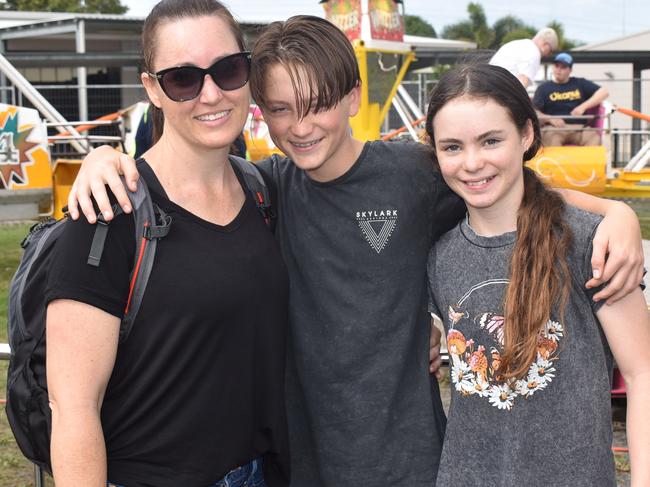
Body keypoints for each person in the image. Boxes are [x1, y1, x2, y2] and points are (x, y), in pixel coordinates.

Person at [66, 16, 644, 487]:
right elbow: (183, 178)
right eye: (281, 109)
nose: (301, 127)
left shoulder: (415, 175)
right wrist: (105, 160)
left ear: (353, 97)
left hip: (414, 464)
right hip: (303, 465)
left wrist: (612, 212)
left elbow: (506, 182)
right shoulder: (265, 189)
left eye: (316, 103)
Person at [45, 1, 290, 486]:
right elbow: (72, 407)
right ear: (152, 89)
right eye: (183, 78)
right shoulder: (106, 213)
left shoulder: (263, 190)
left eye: (228, 69)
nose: (212, 93)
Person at [425, 63, 650, 486]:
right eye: (452, 147)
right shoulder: (438, 256)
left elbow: (643, 374)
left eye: (491, 141)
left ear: (526, 134)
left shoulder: (590, 241)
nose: (472, 163)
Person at [534, 52, 610, 146]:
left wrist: (583, 107)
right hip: (553, 128)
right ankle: (558, 161)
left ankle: (586, 161)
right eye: (556, 66)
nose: (559, 70)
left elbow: (604, 92)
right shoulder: (543, 88)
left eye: (563, 67)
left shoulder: (580, 83)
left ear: (570, 70)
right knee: (552, 139)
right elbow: (534, 111)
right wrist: (550, 119)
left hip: (579, 129)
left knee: (594, 137)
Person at [489, 27, 558, 88]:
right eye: (550, 51)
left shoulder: (519, 44)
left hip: (488, 85)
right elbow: (521, 85)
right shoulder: (534, 53)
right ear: (545, 45)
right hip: (499, 91)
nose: (548, 55)